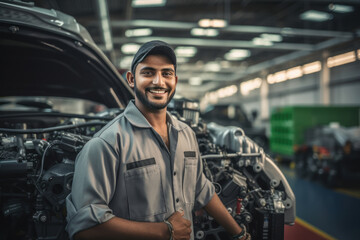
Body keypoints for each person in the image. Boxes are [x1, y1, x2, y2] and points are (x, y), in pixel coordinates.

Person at [65, 40, 250, 240]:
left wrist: (239, 234)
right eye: (148, 73)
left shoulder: (187, 134)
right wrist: (165, 231)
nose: (158, 82)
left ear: (175, 81)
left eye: (166, 74)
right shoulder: (107, 143)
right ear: (131, 79)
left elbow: (201, 189)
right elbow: (83, 228)